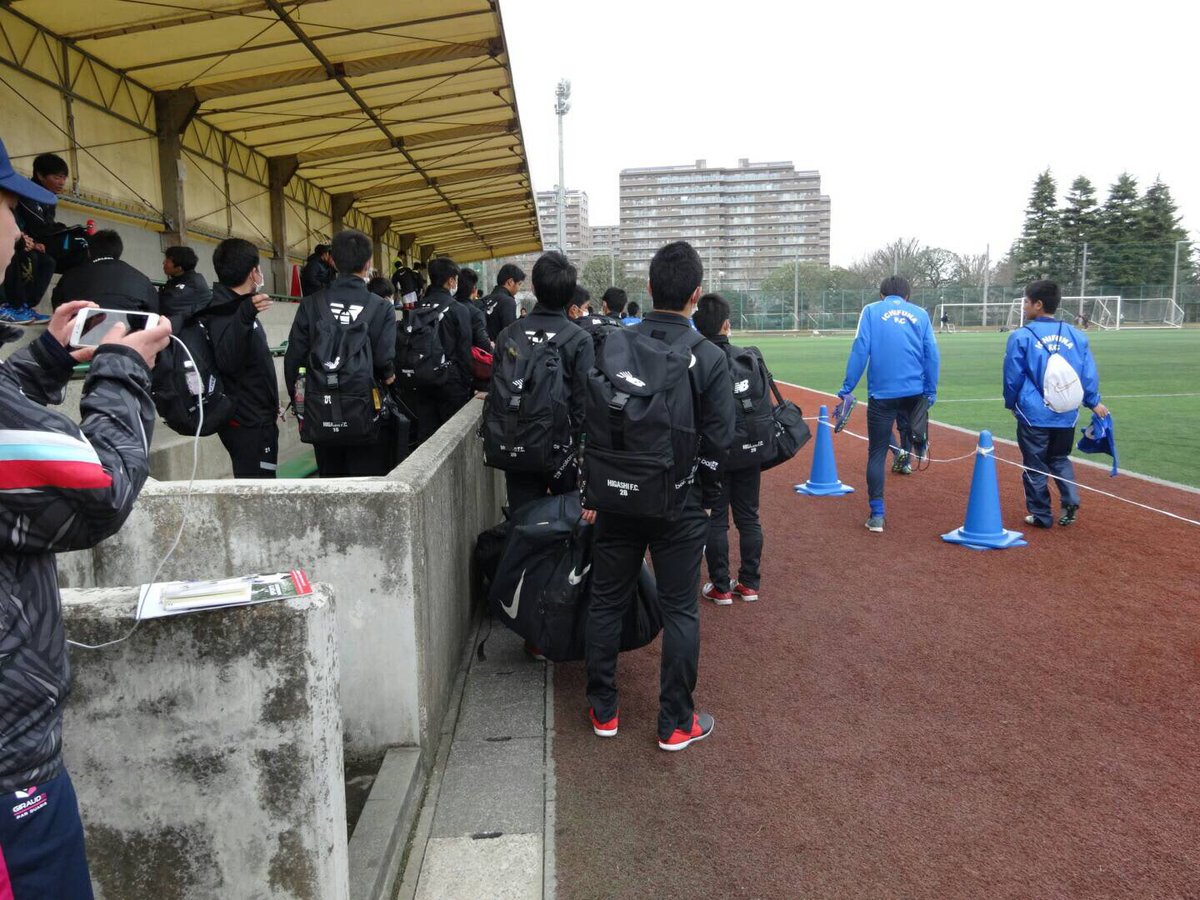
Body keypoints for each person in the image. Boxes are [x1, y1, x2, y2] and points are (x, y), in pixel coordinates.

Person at [0, 134, 173, 898]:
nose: (21, 233)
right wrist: (124, 369)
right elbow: (97, 490)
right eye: (11, 209)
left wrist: (44, 360)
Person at [584, 240, 734, 752]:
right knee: (680, 610)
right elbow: (719, 441)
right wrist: (707, 497)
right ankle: (674, 722)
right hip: (680, 502)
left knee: (607, 600)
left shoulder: (614, 343)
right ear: (696, 294)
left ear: (648, 288)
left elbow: (590, 417)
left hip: (616, 493)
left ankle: (604, 709)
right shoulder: (709, 356)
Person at [285, 229, 397, 477]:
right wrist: (389, 376)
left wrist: (300, 401)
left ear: (333, 261)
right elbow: (383, 360)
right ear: (368, 263)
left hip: (321, 409)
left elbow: (294, 358)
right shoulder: (382, 308)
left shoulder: (311, 304)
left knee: (330, 480)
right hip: (366, 411)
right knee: (367, 480)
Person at [836, 275, 939, 533]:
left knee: (877, 453)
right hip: (914, 391)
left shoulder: (871, 311)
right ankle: (914, 448)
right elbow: (932, 354)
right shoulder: (921, 314)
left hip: (882, 393)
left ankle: (877, 515)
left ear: (882, 295)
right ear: (907, 296)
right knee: (908, 427)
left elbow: (860, 348)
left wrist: (847, 388)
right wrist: (930, 390)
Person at [492, 251, 593, 512]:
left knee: (521, 519)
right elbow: (582, 407)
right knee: (563, 522)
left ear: (535, 288)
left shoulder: (508, 335)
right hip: (561, 454)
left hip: (517, 447)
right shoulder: (580, 339)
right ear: (570, 295)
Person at [1003, 279, 1108, 528]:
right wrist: (1093, 401)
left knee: (1035, 464)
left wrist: (1011, 403)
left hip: (1034, 413)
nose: (1024, 306)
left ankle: (1041, 514)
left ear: (1038, 304)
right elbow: (1087, 374)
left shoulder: (1021, 336)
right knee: (1060, 458)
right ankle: (1070, 497)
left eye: (1026, 302)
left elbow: (1013, 376)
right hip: (1066, 412)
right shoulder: (1077, 335)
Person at [693, 292, 764, 605]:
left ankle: (720, 586)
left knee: (716, 519)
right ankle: (749, 583)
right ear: (726, 324)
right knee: (748, 517)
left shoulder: (696, 359)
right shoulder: (748, 356)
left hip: (713, 451)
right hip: (749, 447)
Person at [207, 238, 280, 478]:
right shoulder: (227, 310)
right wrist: (246, 315)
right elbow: (227, 360)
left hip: (258, 416)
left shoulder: (237, 306)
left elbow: (255, 364)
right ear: (253, 273)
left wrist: (272, 403)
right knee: (258, 489)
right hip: (248, 423)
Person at [398, 256, 473, 445]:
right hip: (451, 382)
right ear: (451, 280)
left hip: (422, 379)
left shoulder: (417, 308)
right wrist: (467, 383)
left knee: (427, 437)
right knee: (453, 440)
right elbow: (464, 352)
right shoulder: (458, 309)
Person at [50, 229, 159, 313]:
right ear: (119, 251)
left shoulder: (71, 276)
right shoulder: (142, 280)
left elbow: (58, 308)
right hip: (129, 334)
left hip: (81, 333)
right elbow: (154, 313)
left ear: (89, 252)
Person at [158, 245, 213, 321]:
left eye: (168, 261)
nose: (164, 262)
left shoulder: (193, 282)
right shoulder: (175, 281)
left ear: (179, 267)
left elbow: (168, 304)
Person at [482, 263, 525, 341]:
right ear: (510, 282)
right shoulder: (508, 301)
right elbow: (510, 335)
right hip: (498, 347)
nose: (519, 288)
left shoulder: (484, 299)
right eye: (519, 284)